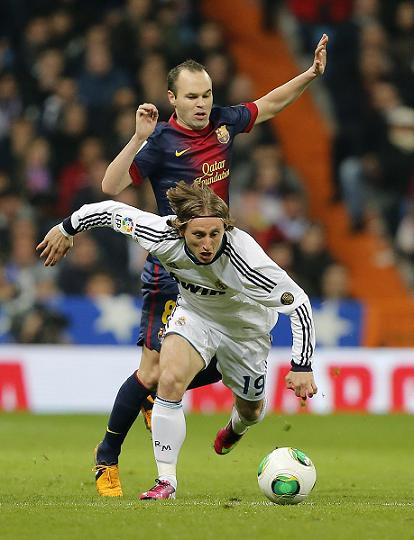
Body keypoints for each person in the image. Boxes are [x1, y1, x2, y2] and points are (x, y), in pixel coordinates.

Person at [64, 35, 327, 497]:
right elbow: (110, 186)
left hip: (222, 263)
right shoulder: (161, 140)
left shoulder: (223, 123)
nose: (203, 104)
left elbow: (268, 105)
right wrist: (137, 139)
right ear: (172, 99)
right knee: (152, 373)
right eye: (191, 97)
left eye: (206, 95)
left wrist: (309, 75)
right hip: (175, 265)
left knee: (231, 377)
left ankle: (192, 396)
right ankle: (108, 457)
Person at [37, 181, 317, 500]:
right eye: (199, 235)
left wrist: (302, 365)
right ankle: (166, 482)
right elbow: (109, 211)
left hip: (245, 333)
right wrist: (66, 228)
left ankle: (234, 430)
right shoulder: (159, 233)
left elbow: (299, 303)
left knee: (251, 411)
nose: (208, 243)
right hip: (195, 317)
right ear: (181, 229)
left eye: (215, 233)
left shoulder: (246, 259)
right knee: (167, 379)